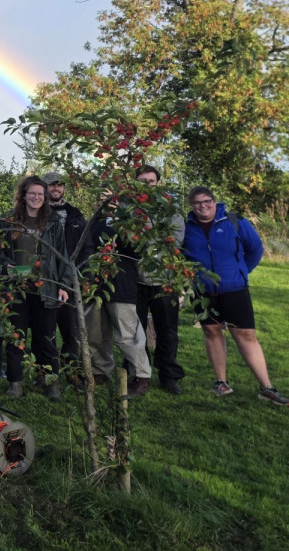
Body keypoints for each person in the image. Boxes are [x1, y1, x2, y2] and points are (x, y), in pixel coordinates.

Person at [182, 186, 287, 405]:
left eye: (207, 201)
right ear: (191, 205)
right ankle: (221, 382)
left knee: (246, 335)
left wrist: (240, 273)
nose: (203, 206)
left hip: (235, 289)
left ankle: (266, 387)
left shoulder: (233, 221)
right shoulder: (186, 227)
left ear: (214, 201)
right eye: (197, 203)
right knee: (212, 332)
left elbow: (255, 249)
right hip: (203, 291)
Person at [0, 176, 73, 401]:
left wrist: (64, 285)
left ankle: (50, 382)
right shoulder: (8, 220)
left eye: (41, 194)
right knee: (16, 337)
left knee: (46, 339)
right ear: (24, 194)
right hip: (17, 287)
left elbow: (63, 256)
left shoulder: (52, 222)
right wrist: (5, 264)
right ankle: (15, 382)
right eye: (32, 193)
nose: (36, 198)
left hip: (46, 287)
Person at [84, 192, 152, 396]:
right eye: (103, 197)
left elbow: (135, 248)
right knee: (96, 331)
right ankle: (100, 370)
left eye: (111, 197)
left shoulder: (130, 221)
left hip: (121, 282)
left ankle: (141, 375)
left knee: (127, 333)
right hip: (96, 284)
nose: (107, 202)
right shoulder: (94, 221)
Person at [133, 165, 187, 394]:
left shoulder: (169, 209)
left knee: (167, 330)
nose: (147, 185)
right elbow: (127, 240)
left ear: (157, 183)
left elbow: (174, 241)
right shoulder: (129, 207)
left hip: (164, 280)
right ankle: (140, 374)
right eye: (142, 181)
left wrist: (145, 235)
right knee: (136, 332)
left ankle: (168, 375)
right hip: (136, 280)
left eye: (151, 181)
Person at [44, 171, 87, 368]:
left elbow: (86, 246)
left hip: (70, 280)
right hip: (45, 279)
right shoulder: (38, 213)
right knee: (46, 331)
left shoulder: (75, 214)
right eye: (52, 185)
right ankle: (47, 370)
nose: (56, 188)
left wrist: (84, 274)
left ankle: (72, 373)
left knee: (72, 331)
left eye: (60, 185)